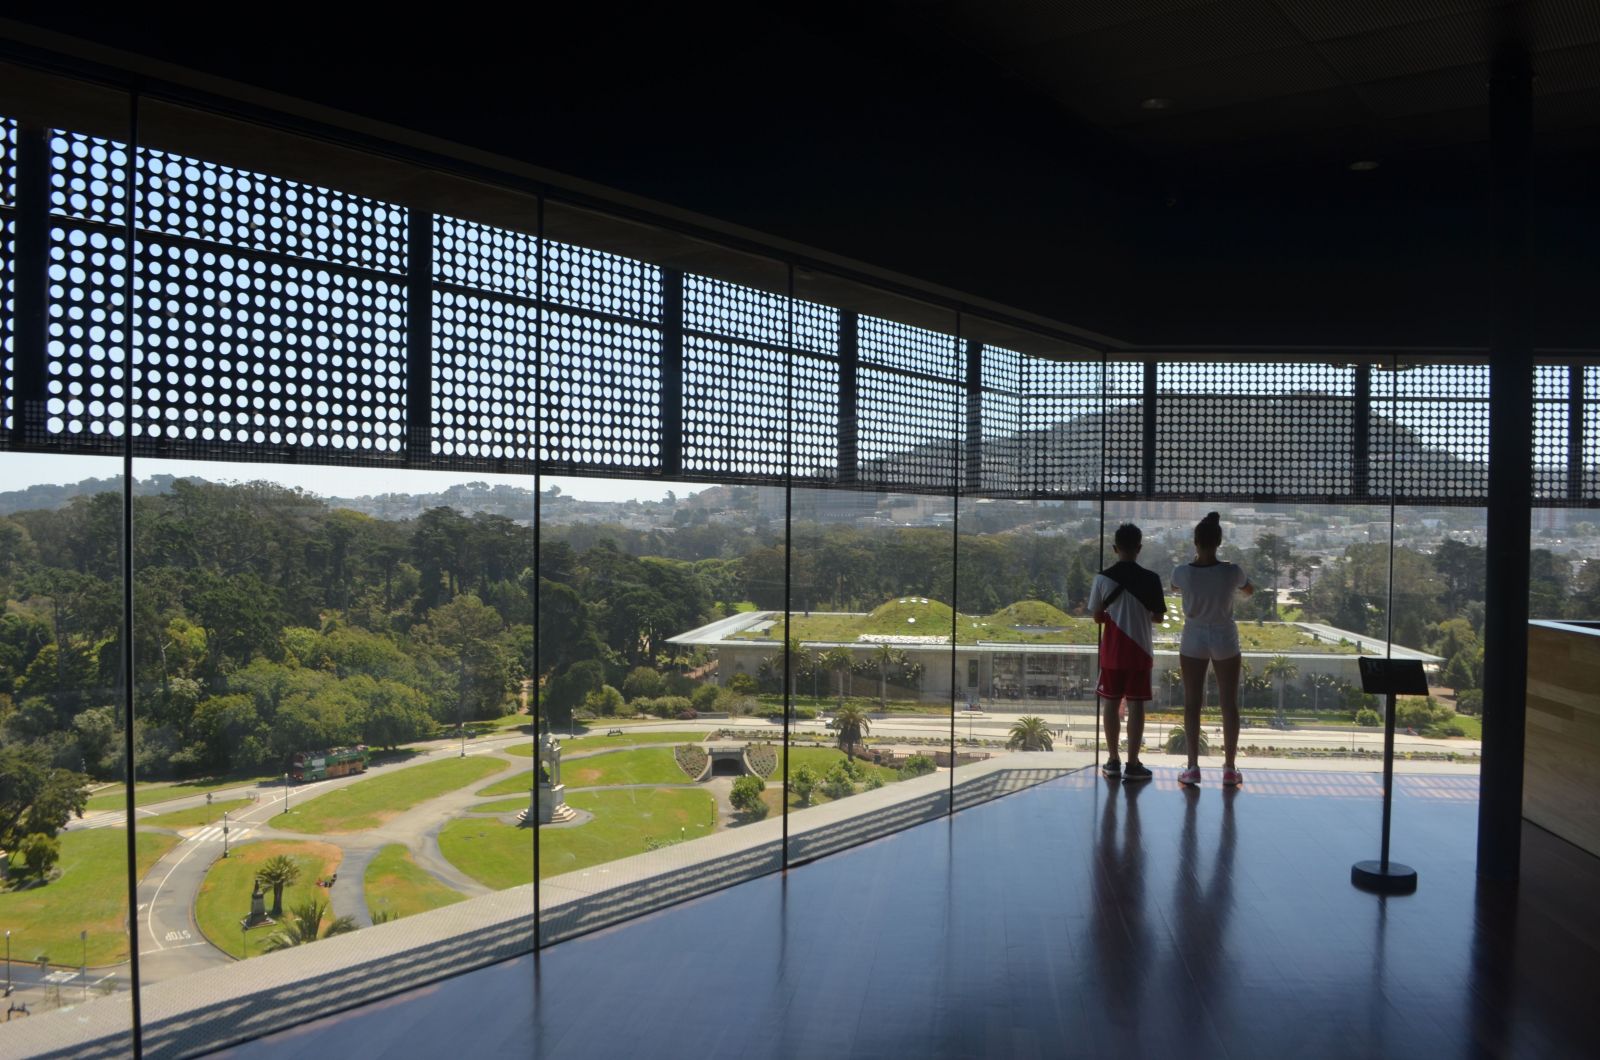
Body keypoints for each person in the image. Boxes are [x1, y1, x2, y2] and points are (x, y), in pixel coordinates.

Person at [1171, 512, 1254, 787]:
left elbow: (1174, 586)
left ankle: (1193, 766)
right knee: (1228, 703)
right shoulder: (1232, 571)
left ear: (1195, 542)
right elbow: (1249, 590)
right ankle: (1229, 768)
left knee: (1193, 703)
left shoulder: (1182, 572)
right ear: (1219, 541)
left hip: (1193, 635)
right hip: (1224, 636)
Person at [1089, 523, 1166, 783]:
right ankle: (1133, 764)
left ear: (1114, 548)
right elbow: (1158, 618)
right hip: (1140, 651)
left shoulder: (1102, 578)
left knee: (1110, 704)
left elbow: (1097, 616)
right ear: (1140, 548)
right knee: (1136, 706)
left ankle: (1112, 761)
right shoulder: (1152, 579)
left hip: (1111, 652)